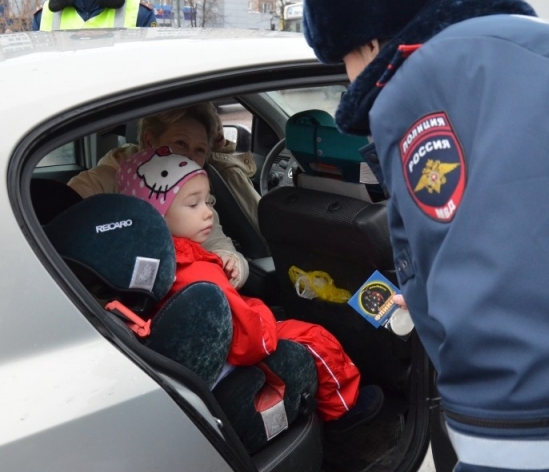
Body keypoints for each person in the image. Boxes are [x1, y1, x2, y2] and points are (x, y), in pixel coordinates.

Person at [302, 0, 549, 472]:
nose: (347, 81)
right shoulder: (527, 48)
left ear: (369, 39)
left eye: (341, 61)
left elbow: (518, 320)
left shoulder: (447, 76)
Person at [115, 146, 385, 432]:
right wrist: (261, 310)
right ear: (155, 215)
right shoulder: (199, 272)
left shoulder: (144, 267)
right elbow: (254, 341)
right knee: (316, 337)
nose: (208, 213)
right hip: (238, 352)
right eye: (193, 204)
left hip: (208, 361)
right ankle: (343, 411)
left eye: (208, 202)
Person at [67, 102, 247, 288]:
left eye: (199, 150)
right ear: (150, 141)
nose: (189, 157)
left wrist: (231, 265)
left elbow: (222, 247)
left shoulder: (193, 191)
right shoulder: (97, 183)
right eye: (181, 143)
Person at [208, 108, 261, 233]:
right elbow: (262, 222)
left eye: (215, 112)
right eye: (205, 120)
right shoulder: (229, 171)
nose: (216, 124)